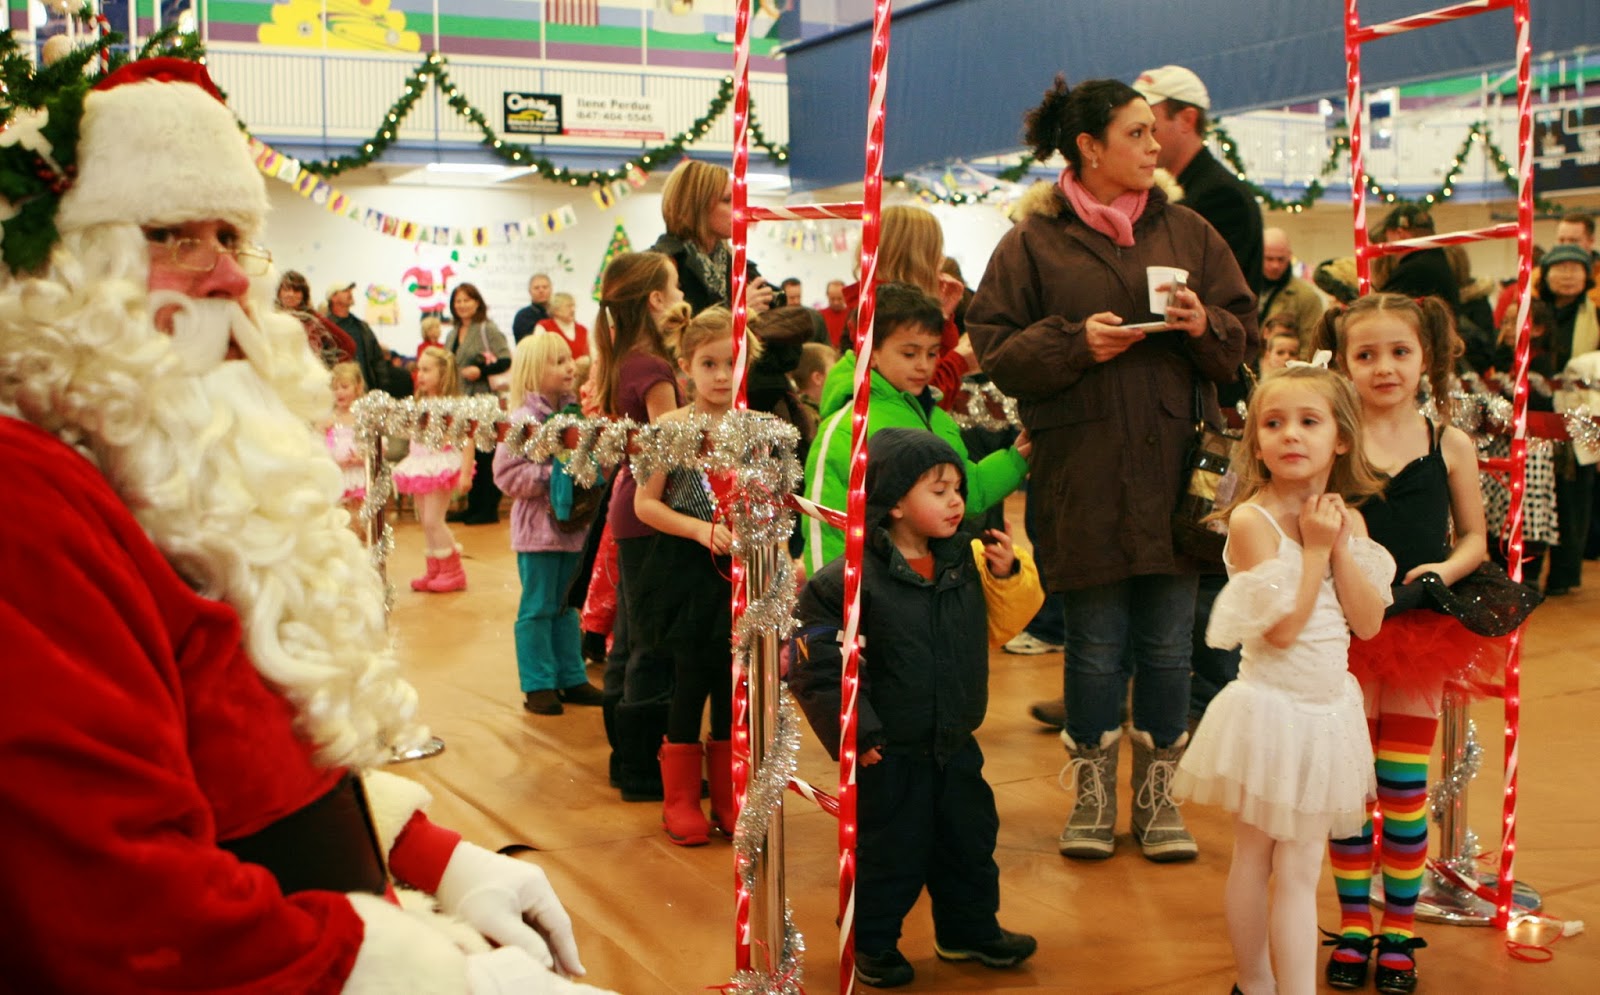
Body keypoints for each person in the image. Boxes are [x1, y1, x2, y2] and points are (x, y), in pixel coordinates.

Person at [0, 54, 603, 993]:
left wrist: (429, 852)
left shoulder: (156, 463)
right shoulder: (27, 496)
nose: (221, 282)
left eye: (231, 238)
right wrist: (437, 979)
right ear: (59, 266)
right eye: (170, 236)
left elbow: (241, 744)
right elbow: (116, 906)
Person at [967, 75, 1256, 863]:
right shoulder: (1032, 242)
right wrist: (1073, 343)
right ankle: (1091, 801)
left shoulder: (1189, 231)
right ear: (1088, 147)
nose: (1152, 146)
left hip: (1174, 481)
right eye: (1134, 133)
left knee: (1170, 649)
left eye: (1152, 133)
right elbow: (990, 344)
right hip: (1082, 477)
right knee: (1093, 649)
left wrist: (1206, 324)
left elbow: (1243, 330)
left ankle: (1160, 802)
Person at [1315, 294, 1535, 994]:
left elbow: (1476, 535)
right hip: (1343, 628)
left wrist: (1444, 567)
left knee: (1404, 786)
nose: (1384, 367)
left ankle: (1399, 931)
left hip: (1418, 628)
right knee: (1348, 789)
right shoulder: (1332, 439)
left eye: (1399, 352)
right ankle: (1355, 923)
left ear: (1426, 358)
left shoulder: (1449, 441)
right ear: (1343, 361)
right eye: (1366, 354)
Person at [790, 428, 1043, 990]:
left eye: (958, 488)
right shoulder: (847, 583)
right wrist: (859, 733)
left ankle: (968, 929)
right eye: (939, 489)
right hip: (889, 750)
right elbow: (818, 668)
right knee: (890, 850)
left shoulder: (964, 564)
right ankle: (871, 941)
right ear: (895, 500)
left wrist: (1007, 575)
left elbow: (1006, 624)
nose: (956, 500)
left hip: (955, 740)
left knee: (969, 841)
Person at [1175, 365, 1392, 995]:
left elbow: (1369, 623)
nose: (1290, 435)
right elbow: (1280, 631)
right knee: (1257, 854)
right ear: (1256, 438)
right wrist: (1318, 552)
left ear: (1341, 439)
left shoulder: (1347, 518)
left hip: (1328, 711)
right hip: (1272, 710)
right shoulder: (1251, 521)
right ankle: (1257, 982)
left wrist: (1340, 545)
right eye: (1273, 423)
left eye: (1308, 421)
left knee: (1302, 866)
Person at [803, 282, 1029, 574]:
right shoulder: (849, 427)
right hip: (878, 590)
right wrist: (832, 609)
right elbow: (827, 525)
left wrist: (1016, 459)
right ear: (871, 351)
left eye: (932, 353)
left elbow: (967, 493)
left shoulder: (936, 419)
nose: (924, 366)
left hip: (936, 583)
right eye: (910, 354)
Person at [632, 307, 752, 845]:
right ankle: (680, 798)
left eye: (732, 362)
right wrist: (701, 531)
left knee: (733, 686)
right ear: (686, 366)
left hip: (741, 574)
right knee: (691, 682)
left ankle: (727, 795)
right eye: (709, 363)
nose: (722, 375)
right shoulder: (670, 429)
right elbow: (644, 505)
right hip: (687, 573)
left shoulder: (756, 427)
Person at [590, 251, 687, 802]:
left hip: (629, 503)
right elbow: (670, 446)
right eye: (673, 289)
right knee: (652, 644)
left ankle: (626, 760)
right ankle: (643, 771)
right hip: (652, 510)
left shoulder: (620, 358)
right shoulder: (650, 368)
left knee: (630, 640)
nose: (679, 298)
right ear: (656, 300)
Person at [492, 332, 606, 716]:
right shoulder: (523, 422)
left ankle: (570, 675)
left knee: (568, 606)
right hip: (538, 534)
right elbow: (506, 474)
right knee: (538, 607)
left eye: (569, 358)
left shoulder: (577, 418)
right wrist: (554, 476)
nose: (569, 367)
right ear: (531, 372)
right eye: (557, 362)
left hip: (573, 532)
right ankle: (538, 682)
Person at [819, 206, 977, 415]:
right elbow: (921, 396)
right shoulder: (885, 313)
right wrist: (959, 361)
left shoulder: (880, 304)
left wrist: (942, 314)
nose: (941, 260)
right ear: (919, 256)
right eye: (935, 251)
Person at [1135, 64, 1264, 295]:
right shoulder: (1187, 188)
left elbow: (1220, 296)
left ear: (1187, 120)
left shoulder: (1222, 198)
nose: (1144, 140)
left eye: (1150, 127)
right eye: (1136, 130)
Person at [1529, 243, 1599, 595]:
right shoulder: (1534, 310)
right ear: (1546, 273)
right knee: (1540, 493)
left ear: (1587, 275)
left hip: (1582, 411)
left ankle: (1564, 574)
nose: (1568, 275)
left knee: (1575, 493)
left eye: (1575, 268)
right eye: (1560, 268)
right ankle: (1530, 570)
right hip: (1540, 412)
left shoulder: (1596, 313)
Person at [397, 347, 475, 593]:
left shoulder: (453, 405)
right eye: (419, 369)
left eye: (427, 370)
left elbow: (467, 438)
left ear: (443, 373)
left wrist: (464, 472)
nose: (420, 374)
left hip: (440, 463)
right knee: (425, 521)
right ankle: (435, 569)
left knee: (433, 519)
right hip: (421, 463)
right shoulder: (421, 402)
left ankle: (453, 571)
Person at [443, 282, 511, 525]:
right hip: (462, 400)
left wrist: (480, 371)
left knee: (485, 453)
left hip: (483, 400)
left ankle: (487, 507)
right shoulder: (452, 333)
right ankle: (473, 506)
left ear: (477, 302)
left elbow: (505, 360)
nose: (462, 305)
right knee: (468, 454)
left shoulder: (487, 329)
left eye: (466, 300)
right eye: (458, 301)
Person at [1259, 228, 1326, 357]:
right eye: (1269, 259)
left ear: (1289, 257)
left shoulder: (1307, 297)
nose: (1275, 265)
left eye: (1281, 259)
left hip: (1286, 373)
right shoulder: (1242, 288)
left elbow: (1311, 349)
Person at [277, 268, 355, 367]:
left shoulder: (312, 318)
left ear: (303, 295)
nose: (291, 294)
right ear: (279, 292)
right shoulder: (271, 317)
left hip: (307, 376)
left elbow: (348, 345)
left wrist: (329, 370)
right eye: (286, 289)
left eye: (296, 290)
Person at [325, 279, 391, 394]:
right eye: (345, 290)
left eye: (350, 290)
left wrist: (382, 388)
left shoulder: (362, 326)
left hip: (365, 391)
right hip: (338, 392)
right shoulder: (324, 328)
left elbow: (377, 359)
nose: (350, 293)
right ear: (333, 297)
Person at [324, 360, 369, 526]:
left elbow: (377, 448)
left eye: (344, 387)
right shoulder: (327, 419)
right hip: (336, 475)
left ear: (357, 388)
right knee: (338, 521)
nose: (339, 393)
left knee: (359, 520)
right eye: (335, 388)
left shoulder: (363, 417)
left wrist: (362, 458)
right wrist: (334, 461)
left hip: (358, 475)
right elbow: (320, 448)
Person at [536, 290, 591, 360]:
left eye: (573, 306)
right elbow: (539, 356)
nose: (573, 310)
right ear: (555, 310)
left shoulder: (583, 330)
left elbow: (593, 357)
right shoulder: (543, 327)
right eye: (568, 306)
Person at [513, 271, 554, 342]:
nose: (541, 290)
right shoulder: (523, 316)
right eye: (536, 288)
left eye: (545, 287)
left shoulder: (557, 313)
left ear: (551, 289)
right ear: (529, 291)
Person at [821, 277, 852, 347]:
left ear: (845, 296)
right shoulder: (820, 315)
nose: (836, 302)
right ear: (827, 295)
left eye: (839, 299)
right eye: (832, 299)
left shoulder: (852, 315)